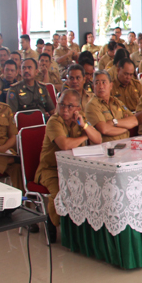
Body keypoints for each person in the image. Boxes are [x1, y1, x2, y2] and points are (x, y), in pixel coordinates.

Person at [35, 89, 102, 242]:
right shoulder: (54, 121)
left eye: (70, 106)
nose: (65, 110)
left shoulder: (80, 118)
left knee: (91, 189)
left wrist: (84, 126)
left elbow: (98, 139)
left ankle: (81, 228)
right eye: (62, 105)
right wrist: (84, 136)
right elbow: (64, 145)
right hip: (51, 169)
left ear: (78, 108)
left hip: (75, 168)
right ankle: (54, 223)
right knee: (61, 192)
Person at [86, 71, 142, 142]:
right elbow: (104, 129)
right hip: (107, 147)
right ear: (93, 87)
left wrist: (114, 122)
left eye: (104, 82)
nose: (101, 86)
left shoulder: (116, 102)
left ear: (111, 85)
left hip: (126, 143)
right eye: (97, 83)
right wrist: (125, 128)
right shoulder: (92, 105)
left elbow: (134, 121)